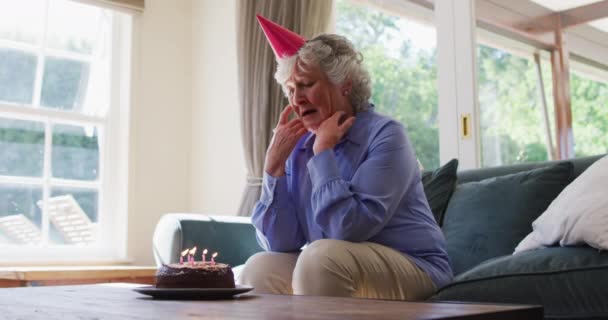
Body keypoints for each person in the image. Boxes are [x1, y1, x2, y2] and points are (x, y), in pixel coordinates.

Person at [238, 14, 452, 300]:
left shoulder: (387, 135)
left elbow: (349, 228)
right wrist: (273, 168)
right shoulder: (298, 147)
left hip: (416, 265)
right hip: (338, 261)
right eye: (291, 89)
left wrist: (323, 153)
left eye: (306, 84)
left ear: (345, 85)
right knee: (260, 267)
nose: (296, 99)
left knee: (320, 257)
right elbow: (280, 242)